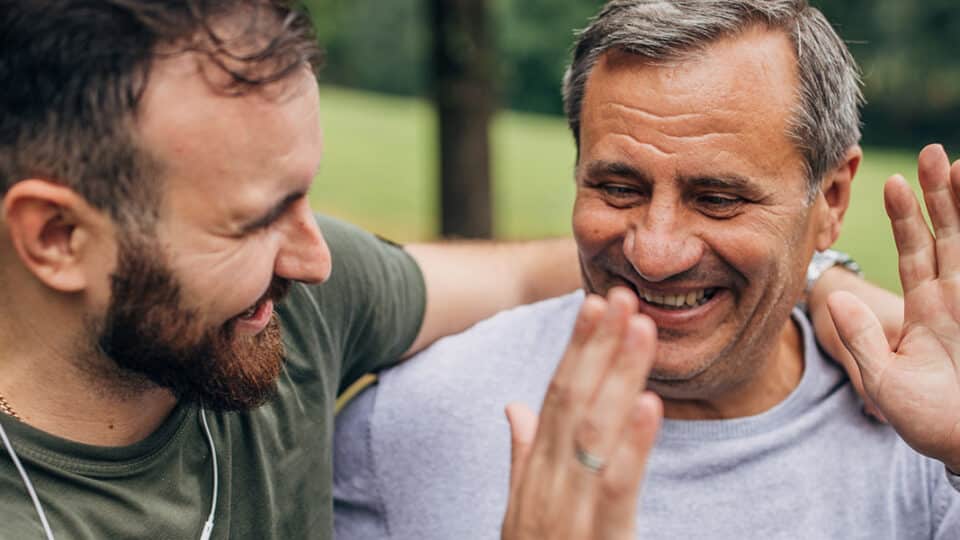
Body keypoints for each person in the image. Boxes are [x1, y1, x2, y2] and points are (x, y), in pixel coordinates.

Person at [0, 1, 897, 539]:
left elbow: (531, 276)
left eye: (720, 197)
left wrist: (820, 278)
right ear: (56, 239)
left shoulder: (295, 307)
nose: (319, 259)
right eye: (252, 222)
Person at [333, 1, 960, 538]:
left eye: (717, 199)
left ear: (830, 202)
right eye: (618, 188)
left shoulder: (923, 441)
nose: (654, 255)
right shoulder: (412, 425)